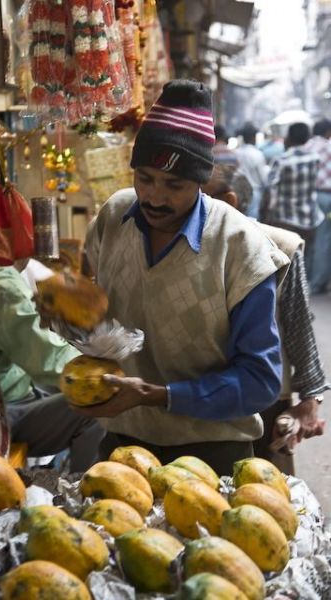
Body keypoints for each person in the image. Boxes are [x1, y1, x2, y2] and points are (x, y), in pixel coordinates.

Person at [77, 79, 290, 476]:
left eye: (174, 185)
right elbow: (102, 317)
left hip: (213, 455)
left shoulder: (240, 246)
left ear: (200, 181)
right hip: (122, 447)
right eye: (144, 178)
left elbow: (260, 381)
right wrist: (67, 314)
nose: (155, 197)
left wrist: (159, 396)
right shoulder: (112, 217)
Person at [0, 179, 104, 472]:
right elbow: (49, 360)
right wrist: (106, 372)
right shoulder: (1, 285)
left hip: (1, 395)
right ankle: (84, 494)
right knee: (98, 409)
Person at [202, 164, 328, 472]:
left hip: (264, 398)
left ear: (228, 201)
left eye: (198, 196)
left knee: (265, 490)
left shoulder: (279, 245)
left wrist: (310, 398)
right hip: (202, 390)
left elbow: (298, 325)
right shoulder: (189, 246)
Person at [261, 122, 323, 282]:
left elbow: (270, 190)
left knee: (286, 261)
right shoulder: (315, 158)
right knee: (305, 257)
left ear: (289, 137)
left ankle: (288, 295)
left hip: (285, 220)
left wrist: (267, 216)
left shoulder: (282, 160)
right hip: (310, 219)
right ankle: (303, 290)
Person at [305, 118, 331, 294]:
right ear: (328, 132)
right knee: (324, 239)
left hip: (306, 196)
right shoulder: (329, 147)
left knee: (309, 238)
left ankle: (305, 278)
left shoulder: (305, 146)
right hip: (325, 197)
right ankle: (317, 283)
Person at [235, 122, 268, 219]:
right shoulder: (257, 154)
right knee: (253, 223)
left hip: (238, 192)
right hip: (254, 194)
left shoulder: (236, 153)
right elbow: (263, 179)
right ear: (253, 137)